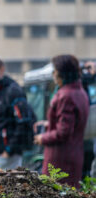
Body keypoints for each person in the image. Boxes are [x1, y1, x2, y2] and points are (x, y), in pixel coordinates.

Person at [34, 54, 90, 188]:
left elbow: (63, 132)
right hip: (74, 153)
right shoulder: (79, 91)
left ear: (62, 73)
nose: (53, 74)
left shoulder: (66, 95)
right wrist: (49, 124)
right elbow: (72, 123)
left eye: (55, 70)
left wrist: (43, 137)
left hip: (60, 158)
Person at [0, 54, 36, 169]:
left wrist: (9, 151)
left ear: (1, 69)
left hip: (6, 158)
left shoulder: (13, 91)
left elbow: (23, 123)